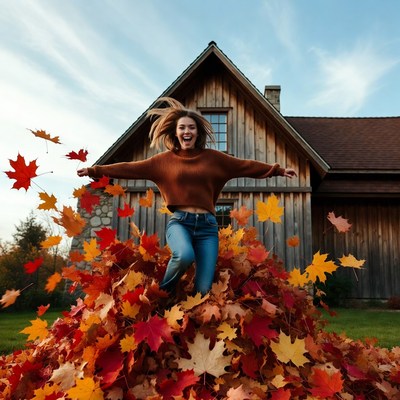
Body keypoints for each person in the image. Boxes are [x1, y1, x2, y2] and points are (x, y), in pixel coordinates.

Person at [77, 97, 297, 295]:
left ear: (197, 132)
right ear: (176, 132)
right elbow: (129, 168)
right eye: (182, 127)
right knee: (183, 256)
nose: (187, 131)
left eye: (191, 127)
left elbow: (245, 166)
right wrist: (95, 171)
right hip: (180, 223)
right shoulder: (162, 161)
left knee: (203, 289)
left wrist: (277, 170)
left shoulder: (214, 159)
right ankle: (160, 296)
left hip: (208, 227)